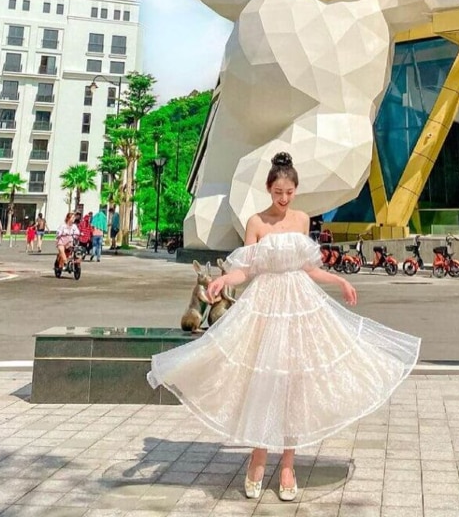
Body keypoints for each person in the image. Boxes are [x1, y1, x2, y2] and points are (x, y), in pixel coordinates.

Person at [147, 152, 419, 502]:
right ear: (268, 189)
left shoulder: (303, 220)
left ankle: (288, 465)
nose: (284, 198)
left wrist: (338, 280)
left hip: (300, 307)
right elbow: (248, 269)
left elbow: (308, 268)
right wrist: (223, 279)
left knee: (295, 385)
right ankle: (258, 460)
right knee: (265, 380)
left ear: (295, 190)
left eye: (289, 191)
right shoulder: (256, 222)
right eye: (278, 191)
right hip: (266, 305)